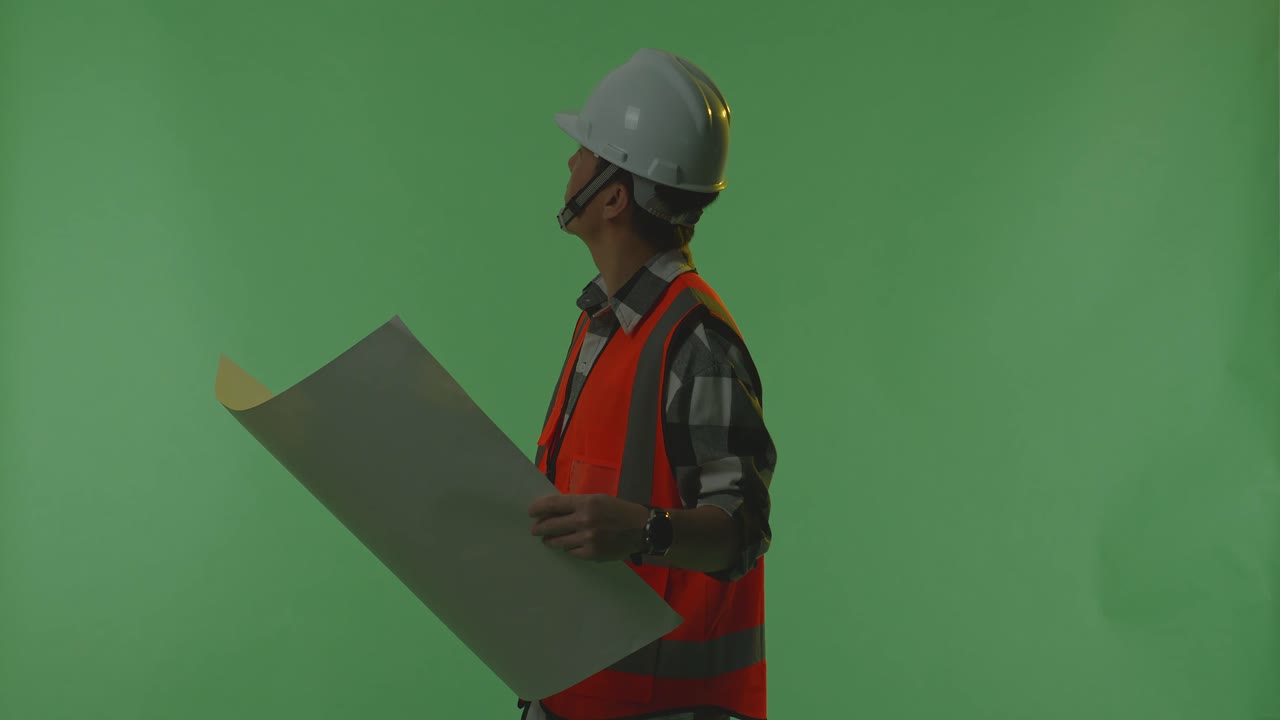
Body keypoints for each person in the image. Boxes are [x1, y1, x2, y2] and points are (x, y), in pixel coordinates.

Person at [520, 49, 776, 720]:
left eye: (584, 152)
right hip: (571, 693)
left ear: (613, 196)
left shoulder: (696, 342)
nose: (569, 162)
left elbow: (742, 529)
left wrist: (644, 531)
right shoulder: (602, 320)